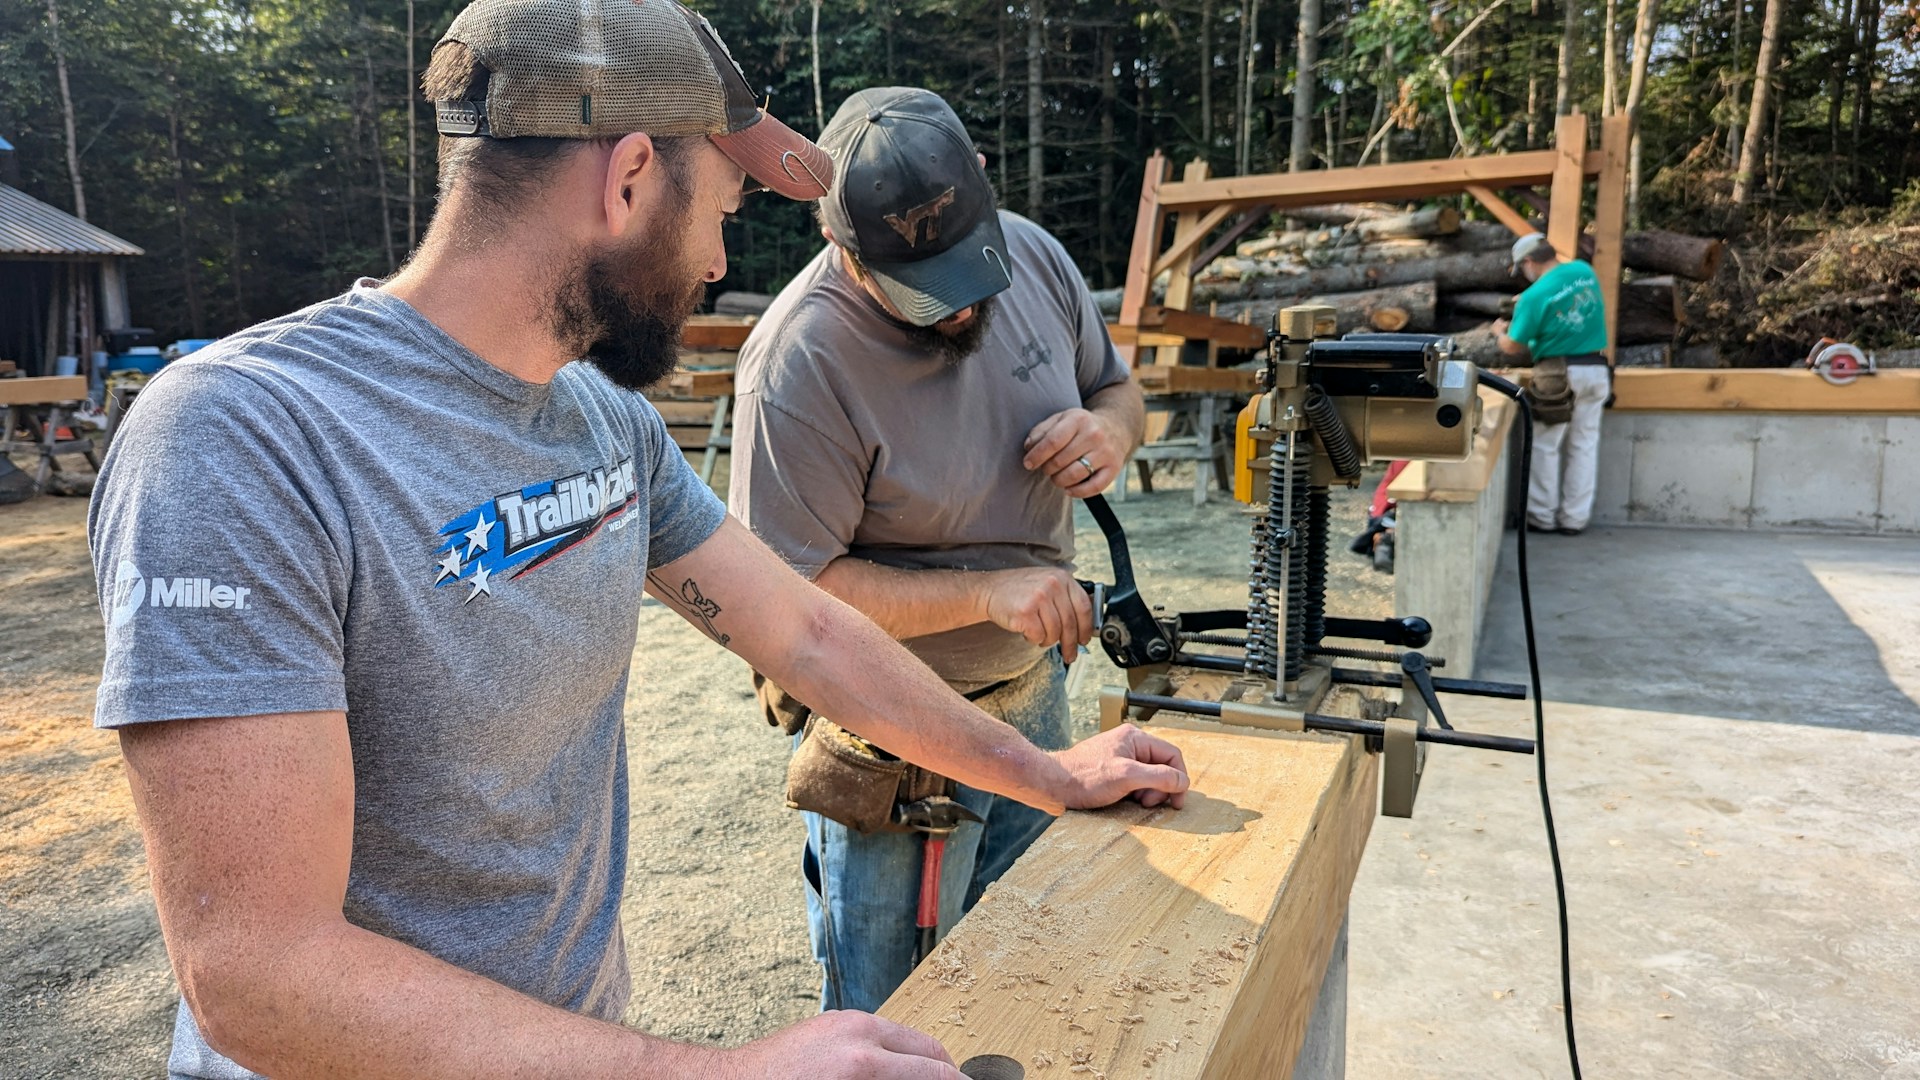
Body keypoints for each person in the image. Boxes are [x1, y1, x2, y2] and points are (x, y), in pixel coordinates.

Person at [87, 5, 1188, 1078]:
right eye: (718, 205)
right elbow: (258, 976)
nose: (717, 261)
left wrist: (1044, 773)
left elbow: (806, 631)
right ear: (624, 182)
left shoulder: (602, 422)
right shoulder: (238, 437)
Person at [728, 87, 1147, 1013]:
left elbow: (1119, 392)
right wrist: (991, 594)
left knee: (1025, 961)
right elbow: (790, 593)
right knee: (894, 1010)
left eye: (967, 271)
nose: (957, 312)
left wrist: (1111, 433)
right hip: (895, 732)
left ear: (984, 185)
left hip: (1034, 690)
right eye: (923, 291)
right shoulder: (800, 361)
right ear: (843, 245)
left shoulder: (1035, 257)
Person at [1495, 231, 1612, 536]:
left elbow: (1513, 346)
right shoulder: (1584, 272)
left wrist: (1498, 332)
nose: (1525, 275)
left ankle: (1541, 517)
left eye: (1522, 269)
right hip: (1596, 369)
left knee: (1547, 445)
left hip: (1558, 374)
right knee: (1584, 445)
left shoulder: (1534, 297)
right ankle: (1574, 519)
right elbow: (1566, 306)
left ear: (1530, 262)